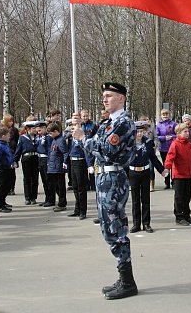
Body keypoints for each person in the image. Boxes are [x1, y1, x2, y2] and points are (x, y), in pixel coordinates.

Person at [73, 82, 137, 300]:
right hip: (103, 177)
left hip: (113, 178)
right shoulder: (106, 123)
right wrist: (82, 135)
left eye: (109, 95)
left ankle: (128, 281)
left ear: (121, 98)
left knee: (116, 229)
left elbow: (107, 151)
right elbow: (95, 148)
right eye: (103, 96)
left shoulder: (123, 123)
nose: (104, 99)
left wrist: (83, 138)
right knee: (107, 229)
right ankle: (123, 276)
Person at [164, 123, 191, 226]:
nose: (187, 133)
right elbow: (170, 157)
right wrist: (167, 168)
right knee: (179, 197)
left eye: (188, 131)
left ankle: (187, 215)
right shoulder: (175, 144)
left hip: (188, 175)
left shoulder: (189, 145)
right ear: (179, 133)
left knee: (187, 197)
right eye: (185, 132)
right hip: (179, 175)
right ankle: (179, 217)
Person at [128, 121, 166, 232]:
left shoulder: (148, 142)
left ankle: (146, 223)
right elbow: (124, 159)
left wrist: (162, 170)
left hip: (145, 172)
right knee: (135, 200)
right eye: (137, 132)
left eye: (141, 131)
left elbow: (153, 158)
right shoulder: (129, 143)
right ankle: (136, 224)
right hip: (133, 173)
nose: (139, 134)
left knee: (145, 199)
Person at [14, 120, 40, 205]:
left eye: (35, 128)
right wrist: (15, 160)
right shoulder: (22, 138)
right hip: (26, 158)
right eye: (33, 128)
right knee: (27, 178)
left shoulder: (38, 137)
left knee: (35, 178)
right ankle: (27, 197)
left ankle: (33, 197)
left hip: (36, 157)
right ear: (28, 129)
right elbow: (19, 149)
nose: (35, 130)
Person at [47, 122, 69, 213]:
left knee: (60, 186)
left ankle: (62, 203)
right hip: (53, 166)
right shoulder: (55, 140)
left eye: (51, 133)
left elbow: (65, 152)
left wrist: (64, 162)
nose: (50, 135)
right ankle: (61, 201)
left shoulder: (60, 140)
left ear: (56, 131)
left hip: (58, 167)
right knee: (56, 186)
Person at [0, 127, 16, 213]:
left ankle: (3, 201)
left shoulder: (5, 144)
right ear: (3, 136)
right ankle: (0, 205)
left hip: (8, 167)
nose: (9, 137)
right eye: (8, 135)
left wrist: (12, 162)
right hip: (3, 168)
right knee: (2, 187)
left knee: (8, 185)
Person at [156, 109, 176, 190]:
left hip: (172, 147)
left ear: (169, 115)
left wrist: (171, 137)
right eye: (163, 115)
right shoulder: (159, 125)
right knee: (166, 165)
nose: (165, 116)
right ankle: (167, 182)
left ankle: (174, 182)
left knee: (174, 165)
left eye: (166, 114)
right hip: (163, 148)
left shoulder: (173, 124)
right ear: (161, 116)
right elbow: (157, 136)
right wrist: (164, 138)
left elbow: (177, 134)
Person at [36, 121, 52, 207]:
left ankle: (50, 199)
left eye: (40, 130)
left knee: (48, 180)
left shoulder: (48, 138)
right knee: (44, 180)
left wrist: (49, 161)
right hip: (40, 158)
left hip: (45, 158)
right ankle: (47, 198)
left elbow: (49, 150)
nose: (38, 132)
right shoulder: (39, 137)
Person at [2, 114, 19, 195]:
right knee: (6, 172)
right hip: (5, 152)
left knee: (12, 172)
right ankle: (6, 188)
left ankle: (12, 188)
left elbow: (17, 140)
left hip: (13, 152)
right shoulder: (2, 129)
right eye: (9, 121)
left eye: (12, 121)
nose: (11, 123)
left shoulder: (15, 130)